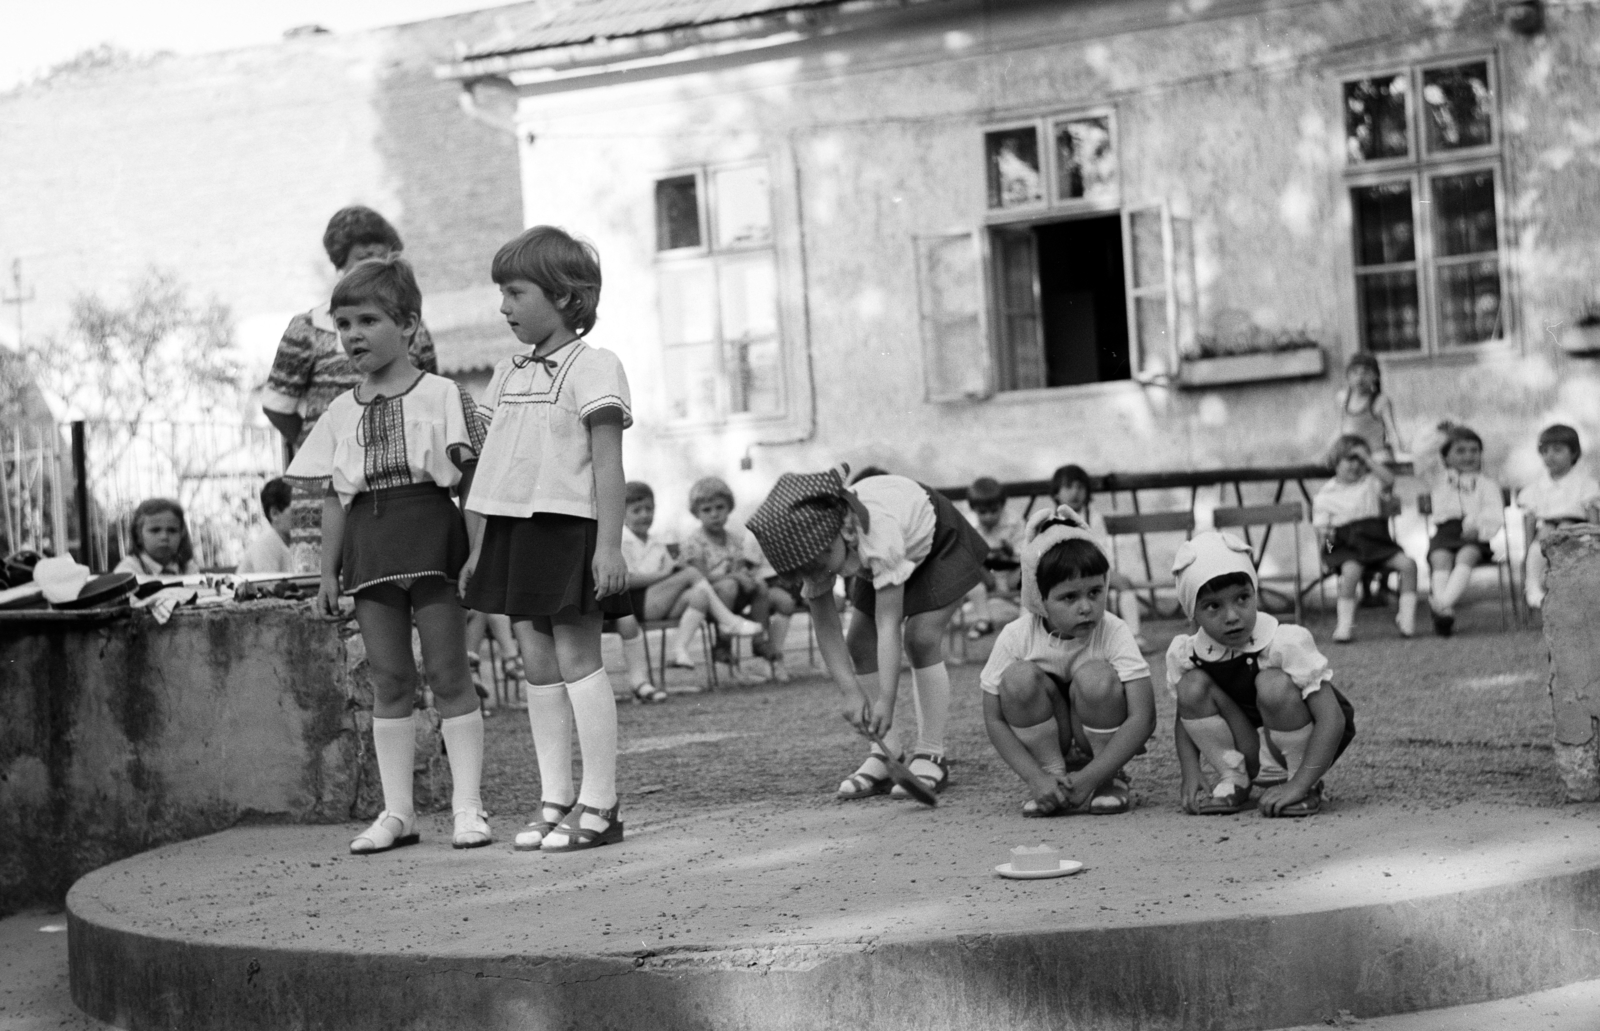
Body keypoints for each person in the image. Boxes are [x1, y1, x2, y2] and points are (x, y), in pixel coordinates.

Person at [284, 256, 490, 853]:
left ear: (407, 325)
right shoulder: (340, 411)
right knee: (389, 679)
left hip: (431, 534)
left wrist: (477, 551)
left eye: (368, 320)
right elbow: (333, 496)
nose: (353, 335)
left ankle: (468, 806)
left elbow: (470, 481)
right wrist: (326, 572)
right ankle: (398, 811)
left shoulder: (443, 394)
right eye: (343, 323)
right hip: (370, 549)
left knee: (450, 675)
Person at [460, 225, 632, 854]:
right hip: (512, 527)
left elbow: (608, 464)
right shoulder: (505, 373)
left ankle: (602, 801)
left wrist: (608, 546)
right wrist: (479, 547)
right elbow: (491, 465)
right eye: (500, 293)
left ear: (563, 296)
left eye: (514, 292)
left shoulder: (596, 366)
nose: (503, 307)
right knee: (537, 665)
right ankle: (555, 797)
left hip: (569, 527)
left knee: (578, 658)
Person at [747, 464, 987, 799]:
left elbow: (889, 624)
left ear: (838, 531)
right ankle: (887, 753)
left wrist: (886, 701)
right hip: (880, 549)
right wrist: (850, 692)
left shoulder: (876, 532)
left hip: (937, 542)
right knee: (859, 642)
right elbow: (827, 625)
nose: (819, 572)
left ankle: (931, 752)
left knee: (920, 637)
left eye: (821, 560)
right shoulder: (818, 553)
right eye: (805, 568)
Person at [263, 207, 438, 574]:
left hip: (395, 476)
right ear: (341, 261)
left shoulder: (413, 329)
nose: (373, 263)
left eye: (382, 254)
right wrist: (320, 440)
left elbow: (428, 400)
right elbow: (277, 404)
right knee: (326, 582)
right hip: (327, 485)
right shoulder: (308, 327)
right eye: (363, 256)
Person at [979, 506, 1155, 817]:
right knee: (1017, 678)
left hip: (1095, 736)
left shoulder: (1113, 630)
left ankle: (1107, 778)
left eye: (1095, 592)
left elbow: (1144, 716)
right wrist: (1035, 777)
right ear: (1038, 598)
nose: (1086, 607)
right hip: (1052, 737)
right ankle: (1052, 778)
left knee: (1097, 678)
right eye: (1069, 597)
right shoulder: (1016, 636)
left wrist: (1091, 776)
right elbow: (993, 718)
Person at [1167, 531, 1355, 817]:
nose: (1232, 616)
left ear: (1255, 592)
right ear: (1192, 612)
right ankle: (1234, 777)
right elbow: (1185, 714)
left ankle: (1302, 784)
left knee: (1272, 683)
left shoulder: (1284, 643)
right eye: (1213, 606)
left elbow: (1333, 718)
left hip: (1298, 746)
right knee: (1190, 686)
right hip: (1247, 744)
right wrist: (1190, 771)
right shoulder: (1188, 652)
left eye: (1242, 598)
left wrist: (1303, 782)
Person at [616, 480, 762, 702]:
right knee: (692, 573)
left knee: (699, 595)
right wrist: (667, 575)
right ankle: (729, 621)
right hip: (635, 605)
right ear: (622, 514)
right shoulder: (621, 541)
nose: (645, 515)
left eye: (649, 509)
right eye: (637, 511)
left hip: (658, 601)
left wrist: (672, 572)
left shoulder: (656, 542)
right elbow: (626, 580)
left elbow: (669, 570)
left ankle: (680, 650)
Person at [680, 477, 794, 682]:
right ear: (696, 513)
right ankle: (722, 645)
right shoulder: (694, 542)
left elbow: (741, 567)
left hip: (736, 593)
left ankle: (759, 640)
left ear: (729, 508)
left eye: (720, 507)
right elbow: (701, 577)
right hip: (712, 598)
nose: (714, 514)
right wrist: (735, 576)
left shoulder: (734, 539)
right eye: (707, 510)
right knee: (729, 586)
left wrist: (745, 576)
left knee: (758, 585)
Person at [1313, 435, 1418, 643]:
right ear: (1336, 461)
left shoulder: (1370, 483)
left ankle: (1406, 619)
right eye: (1350, 459)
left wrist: (1369, 460)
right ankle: (1344, 625)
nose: (1356, 465)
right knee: (1351, 571)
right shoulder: (1325, 495)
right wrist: (1329, 555)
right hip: (1346, 545)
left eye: (1361, 460)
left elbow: (1390, 479)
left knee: (1408, 565)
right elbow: (1324, 534)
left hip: (1376, 541)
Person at [1050, 464, 1148, 650]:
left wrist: (1097, 569)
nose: (1075, 493)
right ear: (1056, 494)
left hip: (1092, 569)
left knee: (1124, 583)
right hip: (1064, 573)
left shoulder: (1093, 518)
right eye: (1069, 487)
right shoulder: (1051, 521)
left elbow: (1101, 549)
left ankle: (1134, 636)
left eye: (1080, 487)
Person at [1422, 422, 1505, 636]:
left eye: (1474, 450)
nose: (1468, 456)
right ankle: (1445, 611)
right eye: (1460, 451)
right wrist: (1438, 435)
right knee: (1440, 558)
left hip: (1474, 536)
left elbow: (1494, 513)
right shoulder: (1439, 479)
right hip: (1444, 533)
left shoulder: (1487, 484)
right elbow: (1422, 456)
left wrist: (1479, 528)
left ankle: (1441, 604)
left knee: (1467, 555)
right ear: (1445, 457)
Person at [1518, 423, 1600, 611]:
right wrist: (1528, 548)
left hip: (1578, 532)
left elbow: (1593, 517)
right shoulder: (1536, 488)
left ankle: (1564, 589)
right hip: (1546, 535)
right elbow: (1530, 520)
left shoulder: (1585, 484)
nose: (1550, 456)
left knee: (1564, 526)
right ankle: (1532, 586)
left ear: (1573, 453)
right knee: (1546, 530)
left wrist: (1596, 543)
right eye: (1545, 451)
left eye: (1557, 450)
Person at [962, 476, 1024, 639]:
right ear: (974, 509)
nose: (989, 516)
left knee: (1033, 567)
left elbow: (1025, 550)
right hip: (986, 576)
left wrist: (1010, 551)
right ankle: (984, 620)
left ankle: (1025, 620)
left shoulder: (1014, 521)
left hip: (1011, 573)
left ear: (1002, 506)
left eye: (994, 511)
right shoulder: (968, 524)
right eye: (983, 512)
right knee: (967, 568)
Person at [1334, 352, 1404, 462]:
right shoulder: (1342, 398)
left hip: (1374, 455)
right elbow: (1339, 429)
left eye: (1365, 372)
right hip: (1351, 456)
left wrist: (1399, 453)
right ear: (1348, 375)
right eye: (1355, 372)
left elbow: (1392, 431)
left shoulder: (1380, 401)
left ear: (1375, 376)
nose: (1360, 378)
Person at [114, 498, 201, 576]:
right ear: (138, 535)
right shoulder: (128, 571)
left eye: (172, 530)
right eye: (155, 530)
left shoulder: (188, 569)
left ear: (182, 534)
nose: (164, 537)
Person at [235, 478, 293, 575]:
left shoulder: (292, 545)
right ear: (274, 513)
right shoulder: (267, 543)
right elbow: (271, 587)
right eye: (296, 511)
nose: (304, 516)